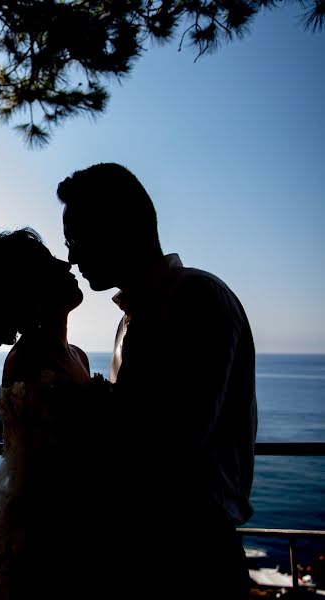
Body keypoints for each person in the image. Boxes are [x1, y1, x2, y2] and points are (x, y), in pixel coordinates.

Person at [57, 162, 257, 598]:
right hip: (153, 548)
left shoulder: (197, 298)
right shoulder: (135, 316)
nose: (72, 256)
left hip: (191, 553)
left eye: (76, 240)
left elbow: (168, 440)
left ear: (116, 228)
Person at [0, 228, 102, 599]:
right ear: (28, 288)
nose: (65, 263)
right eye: (48, 262)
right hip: (50, 545)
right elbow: (47, 476)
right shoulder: (29, 362)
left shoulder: (76, 355)